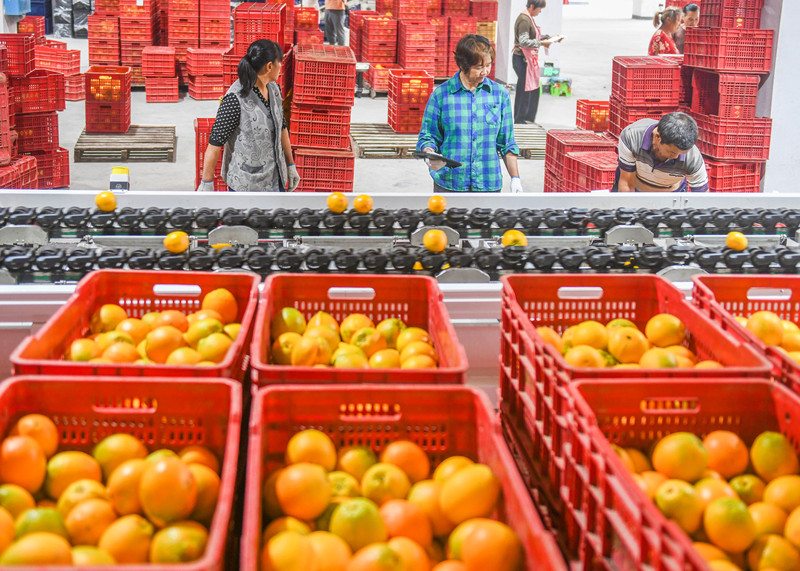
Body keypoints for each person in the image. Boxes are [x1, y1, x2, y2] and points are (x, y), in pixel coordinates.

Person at [417, 35, 522, 193]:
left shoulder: (500, 95)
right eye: (479, 67)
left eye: (488, 65)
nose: (485, 71)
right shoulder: (442, 95)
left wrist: (515, 178)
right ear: (463, 65)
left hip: (487, 183)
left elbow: (507, 142)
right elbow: (428, 136)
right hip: (450, 183)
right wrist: (429, 154)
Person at [197, 40, 299, 192]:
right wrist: (206, 183)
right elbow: (214, 143)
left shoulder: (274, 89)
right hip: (247, 185)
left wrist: (290, 165)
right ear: (269, 66)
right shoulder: (235, 99)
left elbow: (282, 126)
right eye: (279, 63)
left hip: (275, 181)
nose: (280, 67)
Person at [614, 112, 708, 193]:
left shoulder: (693, 157)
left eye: (681, 153)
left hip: (671, 194)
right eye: (672, 152)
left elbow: (702, 197)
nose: (676, 157)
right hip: (635, 187)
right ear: (658, 137)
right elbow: (627, 184)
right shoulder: (632, 136)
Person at [512, 0, 563, 124]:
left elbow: (532, 37)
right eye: (539, 9)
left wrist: (549, 38)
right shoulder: (524, 20)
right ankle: (519, 118)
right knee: (524, 89)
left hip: (527, 59)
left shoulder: (529, 18)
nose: (540, 12)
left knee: (532, 88)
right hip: (521, 59)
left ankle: (527, 117)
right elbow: (524, 41)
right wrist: (542, 43)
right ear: (532, 6)